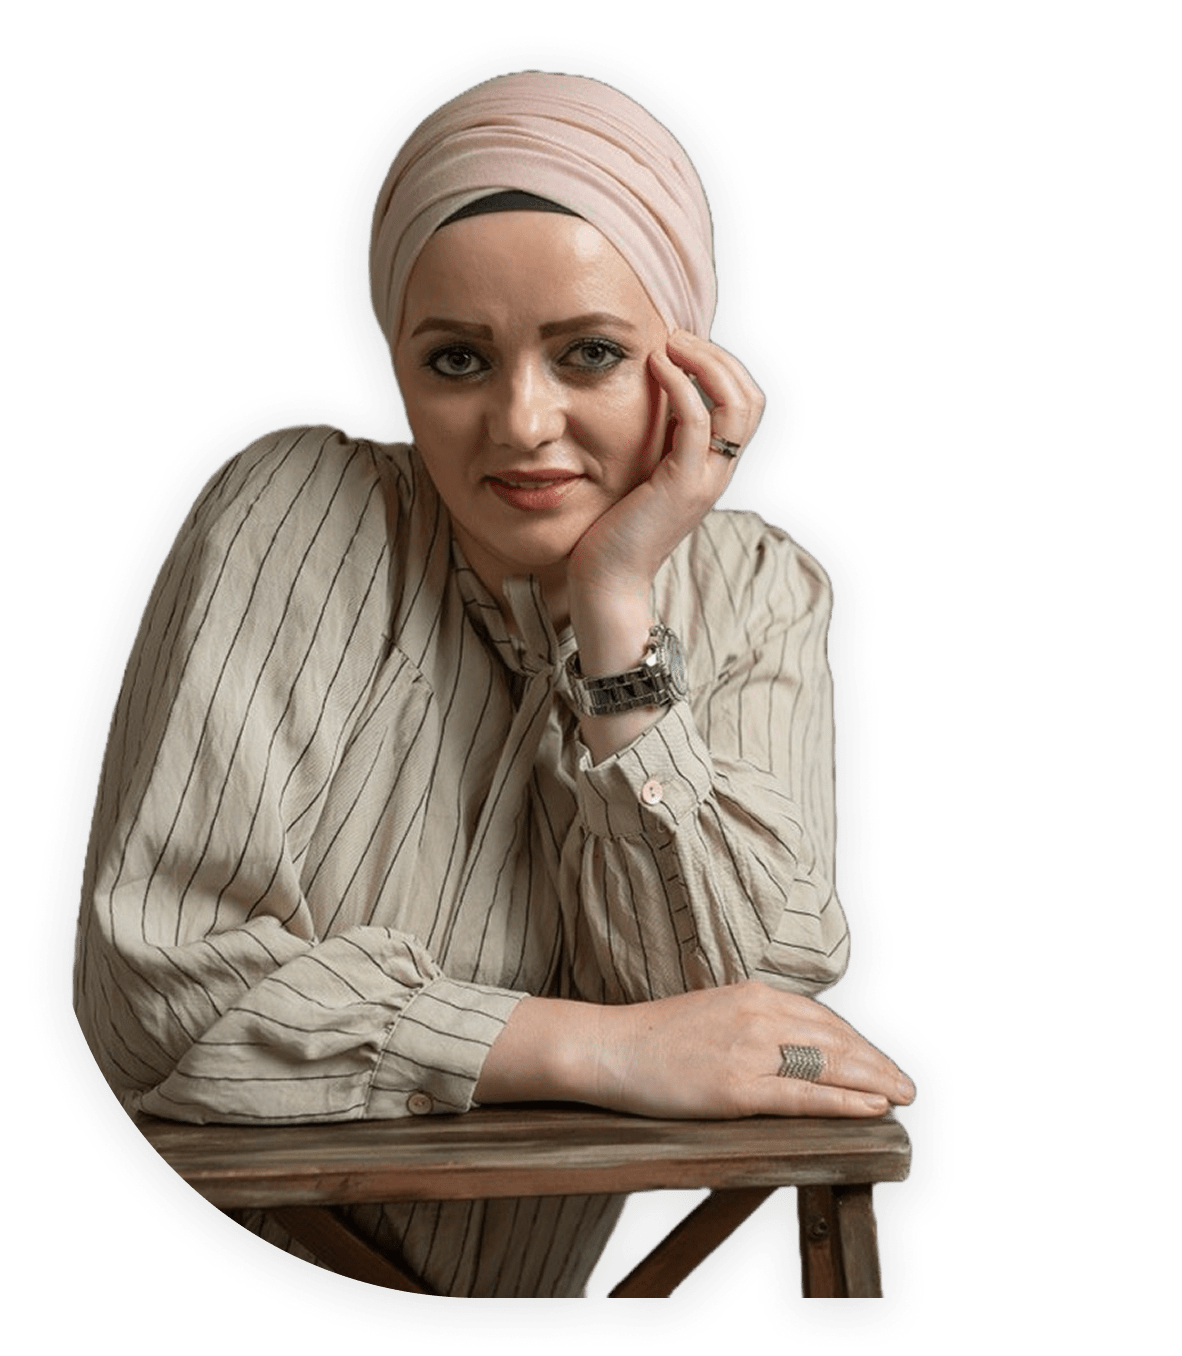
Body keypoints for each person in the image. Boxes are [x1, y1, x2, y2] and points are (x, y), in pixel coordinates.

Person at [72, 69, 914, 1299]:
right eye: (459, 358)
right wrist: (604, 1051)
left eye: (590, 354)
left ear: (688, 362)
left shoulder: (757, 586)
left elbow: (744, 1010)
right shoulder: (293, 509)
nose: (521, 423)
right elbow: (156, 988)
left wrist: (616, 611)